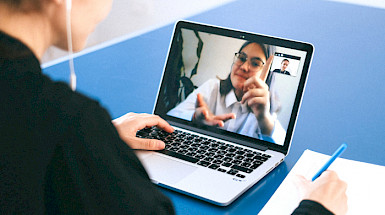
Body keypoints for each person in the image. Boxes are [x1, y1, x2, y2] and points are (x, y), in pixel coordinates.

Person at [0, 0, 347, 214]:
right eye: (240, 57)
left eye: (255, 62)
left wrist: (102, 138)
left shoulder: (268, 107)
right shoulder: (71, 125)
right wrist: (316, 211)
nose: (107, 7)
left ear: (266, 70)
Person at [168, 41, 286, 144]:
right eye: (241, 58)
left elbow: (282, 146)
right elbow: (171, 116)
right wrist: (194, 117)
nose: (244, 67)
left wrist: (263, 118)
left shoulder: (265, 109)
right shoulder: (212, 87)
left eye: (255, 63)